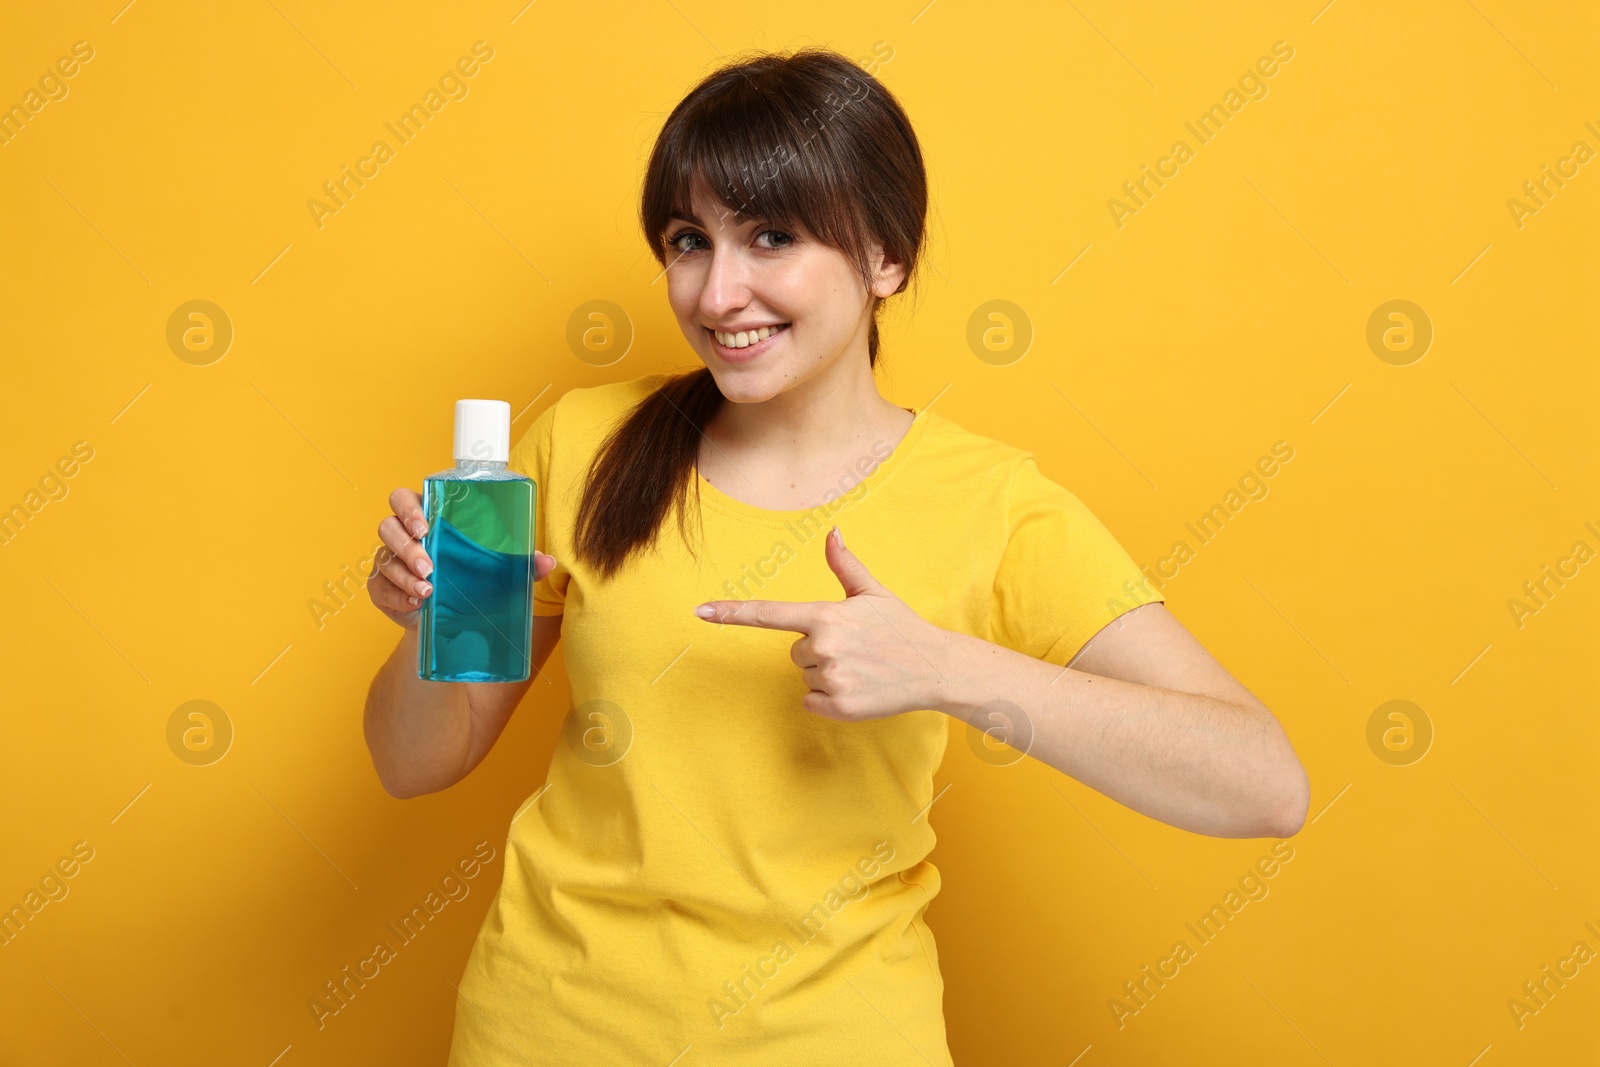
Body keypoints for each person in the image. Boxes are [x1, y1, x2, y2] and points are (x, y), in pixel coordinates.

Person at [363, 46, 1309, 1066]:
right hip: (546, 1031)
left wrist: (944, 666)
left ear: (886, 259)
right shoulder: (579, 444)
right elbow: (417, 760)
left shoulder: (989, 502)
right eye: (690, 240)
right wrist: (431, 621)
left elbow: (1262, 783)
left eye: (771, 236)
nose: (719, 292)